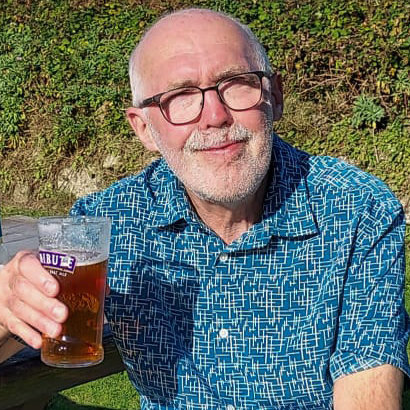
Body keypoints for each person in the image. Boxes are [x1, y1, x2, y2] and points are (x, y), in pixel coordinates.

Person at [0, 8, 408, 409]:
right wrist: (6, 313)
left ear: (275, 97)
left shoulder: (355, 209)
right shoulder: (108, 222)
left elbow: (368, 386)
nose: (215, 117)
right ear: (144, 129)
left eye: (237, 84)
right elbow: (41, 324)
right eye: (180, 97)